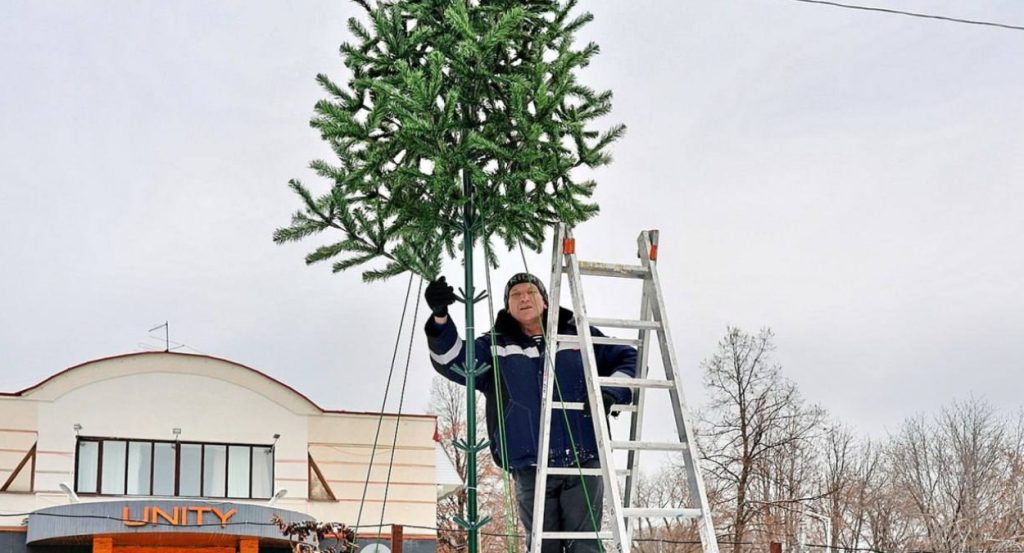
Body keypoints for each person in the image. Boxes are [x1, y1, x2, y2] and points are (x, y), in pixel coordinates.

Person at [424, 272, 637, 553]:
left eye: (530, 292)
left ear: (545, 301)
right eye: (515, 295)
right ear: (507, 306)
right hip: (529, 465)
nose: (523, 298)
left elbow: (628, 356)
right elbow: (451, 360)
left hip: (582, 459)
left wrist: (612, 391)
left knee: (584, 545)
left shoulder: (577, 336)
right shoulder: (494, 347)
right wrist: (440, 318)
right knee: (540, 546)